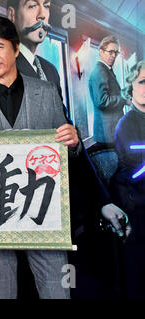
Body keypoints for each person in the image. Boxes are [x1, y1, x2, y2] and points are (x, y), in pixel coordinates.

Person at [0, 15, 79, 299]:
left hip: (44, 215)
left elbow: (65, 151)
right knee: (0, 294)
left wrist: (73, 142)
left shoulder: (46, 92)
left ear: (15, 48)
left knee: (57, 292)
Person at [110, 60, 145, 298]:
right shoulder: (126, 125)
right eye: (142, 82)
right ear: (130, 87)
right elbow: (135, 172)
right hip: (137, 203)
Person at [89, 35, 132, 147]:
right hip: (107, 134)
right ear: (101, 52)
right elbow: (102, 101)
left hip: (110, 132)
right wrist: (124, 99)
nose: (113, 56)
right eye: (110, 52)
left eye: (116, 52)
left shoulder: (106, 70)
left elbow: (112, 93)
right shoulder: (100, 72)